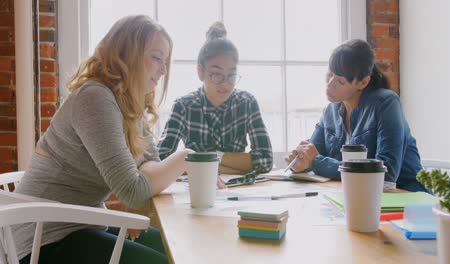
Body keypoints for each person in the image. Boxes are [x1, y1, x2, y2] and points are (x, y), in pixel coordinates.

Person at [14, 15, 187, 264]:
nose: (163, 70)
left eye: (166, 61)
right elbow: (134, 191)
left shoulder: (127, 103)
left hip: (81, 225)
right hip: (43, 240)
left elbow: (151, 165)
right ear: (128, 54)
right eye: (156, 57)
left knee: (172, 245)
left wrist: (154, 173)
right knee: (160, 261)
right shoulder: (94, 98)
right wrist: (186, 157)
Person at [287, 39, 427, 192]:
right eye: (330, 74)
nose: (330, 84)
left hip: (406, 198)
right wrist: (300, 162)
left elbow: (386, 175)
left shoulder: (386, 103)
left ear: (363, 82)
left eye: (340, 81)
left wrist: (316, 162)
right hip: (359, 196)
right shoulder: (330, 111)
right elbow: (312, 154)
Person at [158, 22, 273, 175]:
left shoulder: (247, 103)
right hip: (196, 189)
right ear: (200, 72)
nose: (225, 84)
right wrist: (235, 164)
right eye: (217, 74)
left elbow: (265, 160)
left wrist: (212, 160)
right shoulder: (183, 106)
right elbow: (162, 158)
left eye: (231, 75)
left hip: (238, 190)